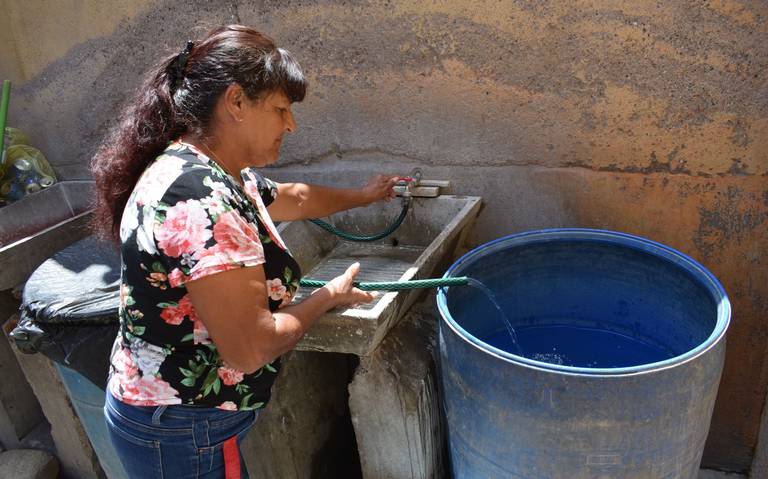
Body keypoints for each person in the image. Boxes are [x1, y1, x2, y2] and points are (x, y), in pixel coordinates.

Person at [90, 25, 398, 478]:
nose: (290, 125)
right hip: (182, 429)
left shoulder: (203, 168)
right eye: (279, 109)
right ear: (236, 102)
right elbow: (252, 348)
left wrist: (364, 196)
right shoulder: (203, 202)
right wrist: (327, 297)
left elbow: (293, 197)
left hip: (174, 418)